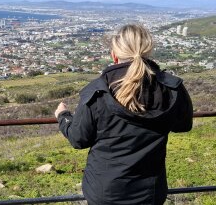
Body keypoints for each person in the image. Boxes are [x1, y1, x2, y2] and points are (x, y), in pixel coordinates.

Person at [55, 24, 193, 205]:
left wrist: (63, 115)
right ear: (148, 51)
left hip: (105, 192)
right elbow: (183, 125)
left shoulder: (99, 92)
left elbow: (78, 138)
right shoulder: (172, 89)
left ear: (114, 55)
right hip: (150, 192)